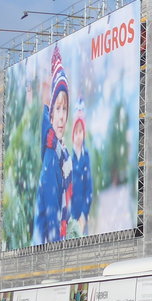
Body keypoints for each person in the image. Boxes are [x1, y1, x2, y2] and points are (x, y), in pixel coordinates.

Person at [33, 44, 73, 245]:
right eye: (57, 108)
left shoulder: (63, 154)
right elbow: (50, 211)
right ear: (50, 114)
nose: (61, 116)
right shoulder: (52, 154)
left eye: (64, 109)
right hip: (47, 243)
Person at [69, 98, 94, 236]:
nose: (78, 136)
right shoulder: (69, 158)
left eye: (81, 132)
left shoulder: (86, 157)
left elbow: (89, 190)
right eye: (76, 132)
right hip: (72, 216)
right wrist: (71, 215)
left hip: (83, 216)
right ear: (72, 135)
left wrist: (84, 214)